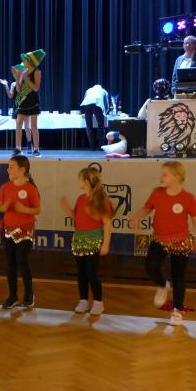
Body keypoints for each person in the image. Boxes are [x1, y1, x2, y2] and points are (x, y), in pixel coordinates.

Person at [129, 161, 196, 326]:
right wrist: (136, 217)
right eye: (161, 174)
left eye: (165, 174)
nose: (161, 177)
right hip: (160, 239)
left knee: (179, 276)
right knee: (151, 266)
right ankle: (162, 285)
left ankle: (177, 311)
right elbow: (146, 209)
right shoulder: (157, 194)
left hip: (180, 242)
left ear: (176, 177)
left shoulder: (188, 198)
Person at [61, 166, 113, 315]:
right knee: (81, 272)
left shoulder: (101, 200)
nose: (78, 182)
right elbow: (77, 217)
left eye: (80, 179)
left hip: (94, 239)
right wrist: (66, 208)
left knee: (91, 272)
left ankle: (98, 302)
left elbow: (107, 223)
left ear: (86, 181)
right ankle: (83, 300)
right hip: (80, 239)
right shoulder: (80, 199)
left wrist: (105, 244)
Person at [0, 155, 41, 309]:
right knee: (10, 264)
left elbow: (37, 210)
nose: (8, 169)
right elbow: (0, 207)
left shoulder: (30, 189)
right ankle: (13, 296)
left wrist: (24, 209)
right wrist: (4, 206)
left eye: (11, 167)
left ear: (22, 170)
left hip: (25, 230)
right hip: (8, 230)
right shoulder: (5, 187)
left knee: (22, 262)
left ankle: (29, 295)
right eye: (8, 166)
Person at [12, 49, 45, 156]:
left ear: (30, 61)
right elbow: (18, 90)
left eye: (25, 59)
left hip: (33, 101)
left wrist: (26, 79)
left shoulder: (37, 72)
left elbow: (36, 88)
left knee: (33, 126)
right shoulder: (23, 73)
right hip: (23, 102)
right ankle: (18, 148)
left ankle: (36, 149)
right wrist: (17, 77)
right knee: (18, 124)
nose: (23, 61)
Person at [0, 63, 33, 153]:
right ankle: (18, 147)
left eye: (22, 70)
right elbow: (10, 95)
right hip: (17, 108)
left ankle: (29, 144)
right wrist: (6, 85)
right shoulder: (13, 84)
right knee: (18, 127)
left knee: (27, 127)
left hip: (26, 107)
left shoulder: (27, 83)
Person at [80, 84, 111, 151]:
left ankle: (92, 147)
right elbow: (106, 104)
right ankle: (100, 146)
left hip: (86, 105)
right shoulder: (103, 91)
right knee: (101, 126)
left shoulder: (88, 90)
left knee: (89, 126)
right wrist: (105, 112)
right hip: (97, 105)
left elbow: (85, 99)